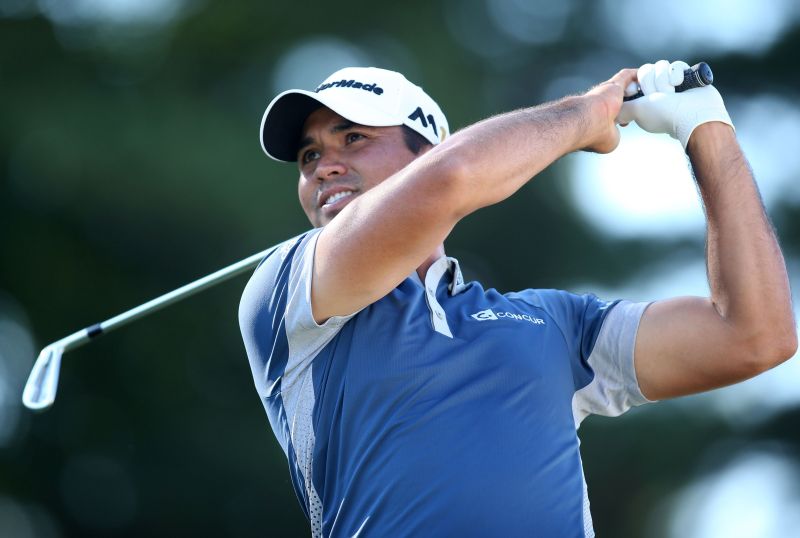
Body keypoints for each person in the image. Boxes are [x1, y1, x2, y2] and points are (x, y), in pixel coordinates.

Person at [238, 62, 797, 537]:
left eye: (352, 138)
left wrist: (707, 128)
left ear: (423, 152)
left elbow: (753, 336)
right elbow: (453, 178)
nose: (323, 167)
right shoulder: (290, 290)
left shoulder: (553, 324)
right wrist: (589, 116)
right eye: (309, 156)